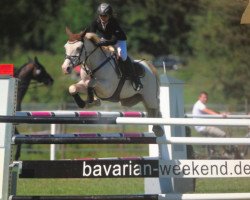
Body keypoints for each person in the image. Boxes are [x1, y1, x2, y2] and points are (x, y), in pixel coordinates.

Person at [86, 2, 143, 102]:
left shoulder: (114, 22)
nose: (102, 17)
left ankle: (135, 79)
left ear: (109, 15)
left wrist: (102, 43)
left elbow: (114, 40)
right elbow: (92, 35)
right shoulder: (95, 22)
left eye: (105, 16)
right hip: (104, 39)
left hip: (119, 40)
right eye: (101, 15)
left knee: (122, 56)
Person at [192, 91, 228, 156]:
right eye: (204, 97)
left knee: (213, 139)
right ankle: (224, 153)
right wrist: (220, 116)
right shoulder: (199, 104)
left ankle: (212, 153)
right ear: (199, 97)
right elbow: (208, 111)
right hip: (203, 127)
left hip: (201, 127)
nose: (205, 99)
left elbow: (210, 111)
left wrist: (220, 113)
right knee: (223, 134)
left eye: (206, 98)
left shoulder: (199, 104)